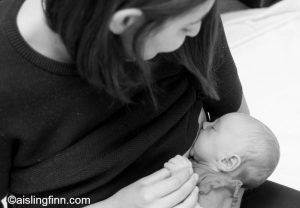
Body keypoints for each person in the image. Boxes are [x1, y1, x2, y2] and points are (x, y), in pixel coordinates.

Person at [0, 0, 299, 207]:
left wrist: (217, 186)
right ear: (127, 23)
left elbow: (234, 118)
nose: (198, 30)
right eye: (187, 27)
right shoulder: (9, 75)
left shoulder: (188, 7)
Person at [165, 113, 280, 208]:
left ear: (227, 162)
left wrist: (180, 177)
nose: (205, 124)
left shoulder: (217, 188)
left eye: (213, 128)